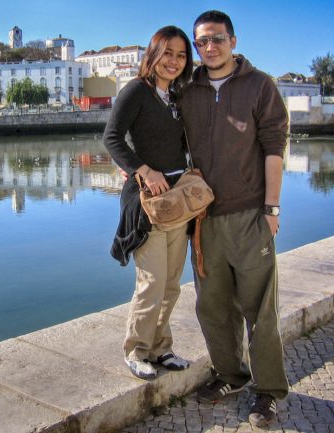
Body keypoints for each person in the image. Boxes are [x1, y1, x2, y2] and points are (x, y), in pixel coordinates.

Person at [179, 10, 290, 428]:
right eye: (202, 42)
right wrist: (132, 163)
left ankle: (269, 392)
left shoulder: (260, 86)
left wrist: (272, 209)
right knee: (212, 306)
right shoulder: (187, 88)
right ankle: (230, 375)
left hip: (249, 214)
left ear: (234, 41)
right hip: (204, 218)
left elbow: (275, 149)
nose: (209, 47)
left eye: (217, 39)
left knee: (261, 309)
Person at [103, 25, 194, 380]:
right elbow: (111, 138)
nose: (173, 61)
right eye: (167, 53)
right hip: (149, 200)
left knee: (172, 282)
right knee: (152, 280)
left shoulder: (176, 95)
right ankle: (136, 351)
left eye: (181, 55)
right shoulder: (136, 91)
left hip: (178, 199)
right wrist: (142, 169)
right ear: (153, 55)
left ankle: (161, 348)